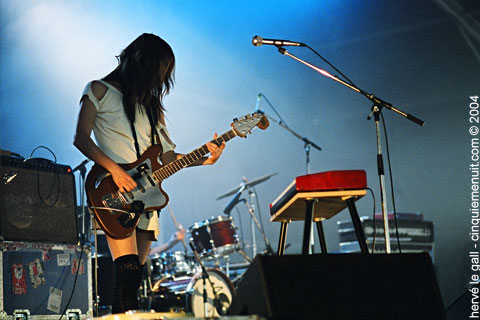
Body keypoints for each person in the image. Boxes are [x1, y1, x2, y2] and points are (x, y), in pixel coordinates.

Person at [73, 33, 225, 313]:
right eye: (158, 71)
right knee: (127, 271)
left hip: (148, 196)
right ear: (141, 64)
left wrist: (205, 158)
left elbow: (167, 158)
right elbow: (81, 138)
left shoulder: (154, 108)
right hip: (113, 190)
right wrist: (115, 171)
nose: (159, 79)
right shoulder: (99, 90)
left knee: (135, 276)